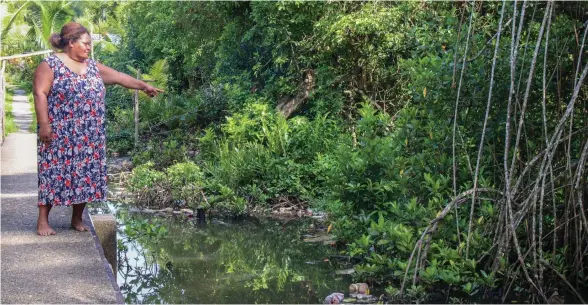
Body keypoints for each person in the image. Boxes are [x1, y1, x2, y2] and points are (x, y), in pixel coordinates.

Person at [33, 22, 163, 236]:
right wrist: (44, 124)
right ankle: (43, 221)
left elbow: (120, 77)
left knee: (86, 174)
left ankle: (77, 218)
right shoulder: (49, 65)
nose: (88, 47)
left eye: (89, 44)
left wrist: (144, 86)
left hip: (90, 133)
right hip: (59, 133)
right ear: (71, 43)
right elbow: (40, 94)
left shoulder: (92, 66)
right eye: (85, 43)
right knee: (52, 173)